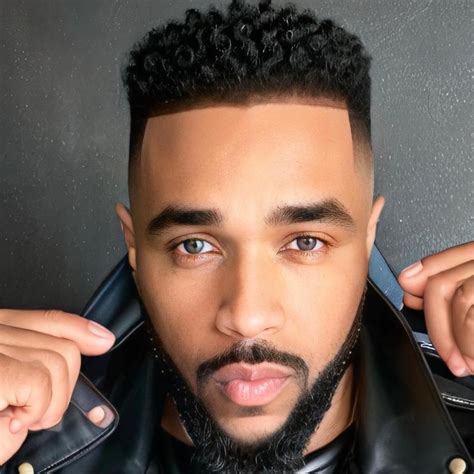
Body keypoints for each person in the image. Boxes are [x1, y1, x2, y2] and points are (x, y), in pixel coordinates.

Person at [1, 0, 473, 472]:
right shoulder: (15, 435)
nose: (247, 318)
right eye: (195, 246)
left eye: (305, 242)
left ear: (367, 238)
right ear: (134, 247)